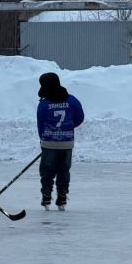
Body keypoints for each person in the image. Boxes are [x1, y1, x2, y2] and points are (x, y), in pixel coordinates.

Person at [36, 72, 84, 210]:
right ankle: (62, 196)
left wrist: (43, 138)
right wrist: (68, 126)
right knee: (64, 170)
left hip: (49, 142)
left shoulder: (44, 104)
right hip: (66, 142)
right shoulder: (72, 100)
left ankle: (46, 195)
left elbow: (41, 123)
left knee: (47, 170)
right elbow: (80, 117)